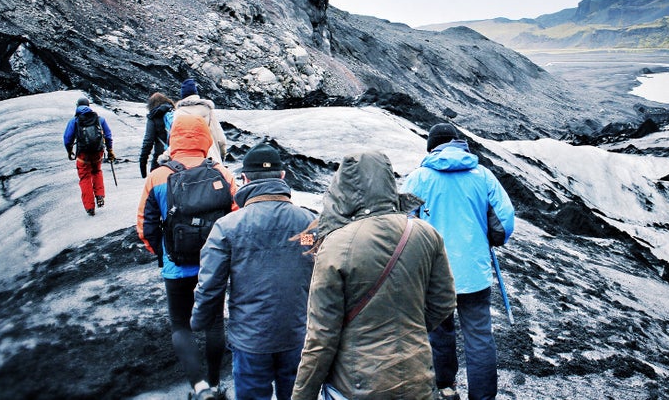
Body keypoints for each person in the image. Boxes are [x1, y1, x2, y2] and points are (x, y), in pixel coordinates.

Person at [292, 151, 456, 400]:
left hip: (355, 384)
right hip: (416, 378)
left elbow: (321, 336)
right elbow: (444, 301)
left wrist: (302, 395)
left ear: (342, 187)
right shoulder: (426, 233)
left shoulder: (335, 244)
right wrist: (408, 331)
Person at [191, 143, 317, 400]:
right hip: (298, 334)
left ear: (244, 179)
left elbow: (210, 285)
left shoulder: (227, 227)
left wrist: (198, 320)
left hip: (251, 339)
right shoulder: (309, 222)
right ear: (282, 176)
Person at [401, 123, 515, 400]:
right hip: (474, 273)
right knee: (479, 337)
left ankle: (445, 388)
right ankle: (483, 396)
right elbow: (504, 220)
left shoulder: (419, 178)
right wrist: (490, 238)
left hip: (433, 275)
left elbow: (402, 225)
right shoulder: (483, 175)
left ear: (432, 147)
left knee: (438, 333)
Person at [137, 114, 238, 400]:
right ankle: (216, 383)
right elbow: (235, 217)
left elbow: (145, 226)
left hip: (176, 266)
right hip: (214, 265)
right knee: (215, 322)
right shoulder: (223, 173)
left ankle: (200, 388)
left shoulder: (157, 176)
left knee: (181, 325)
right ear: (205, 137)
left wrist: (163, 254)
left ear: (173, 138)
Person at [62, 95, 114, 216]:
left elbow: (67, 138)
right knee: (97, 171)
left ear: (77, 107)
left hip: (83, 154)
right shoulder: (99, 119)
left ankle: (90, 207)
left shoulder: (74, 121)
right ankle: (100, 195)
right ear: (89, 106)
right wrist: (110, 150)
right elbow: (108, 135)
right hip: (98, 152)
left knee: (85, 178)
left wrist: (69, 151)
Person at [175, 78, 227, 163]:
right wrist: (222, 156)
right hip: (211, 160)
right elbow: (221, 139)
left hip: (186, 163)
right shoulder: (208, 111)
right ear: (196, 93)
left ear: (182, 96)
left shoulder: (178, 114)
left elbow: (174, 140)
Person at [138, 92, 175, 178]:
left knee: (156, 187)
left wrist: (142, 166)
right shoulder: (175, 112)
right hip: (177, 157)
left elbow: (148, 142)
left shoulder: (153, 117)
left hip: (160, 159)